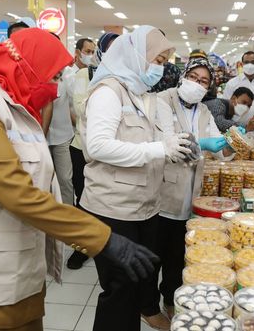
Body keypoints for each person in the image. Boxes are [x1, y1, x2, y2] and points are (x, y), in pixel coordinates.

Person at [0, 27, 158, 331]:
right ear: (26, 67)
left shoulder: (20, 110)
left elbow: (40, 188)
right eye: (52, 75)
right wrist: (102, 238)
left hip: (17, 273)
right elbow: (18, 193)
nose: (56, 85)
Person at [79, 25, 188, 331]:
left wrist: (176, 147)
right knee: (120, 290)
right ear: (136, 55)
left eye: (165, 61)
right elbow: (98, 146)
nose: (162, 67)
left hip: (145, 204)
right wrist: (157, 149)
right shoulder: (108, 92)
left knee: (139, 278)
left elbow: (158, 140)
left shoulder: (142, 92)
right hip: (114, 208)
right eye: (157, 59)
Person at [155, 58, 231, 319]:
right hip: (162, 191)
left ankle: (171, 300)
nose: (198, 84)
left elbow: (221, 152)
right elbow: (167, 141)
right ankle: (147, 305)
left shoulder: (204, 111)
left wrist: (232, 141)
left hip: (190, 194)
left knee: (177, 253)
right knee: (155, 252)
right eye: (194, 78)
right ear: (184, 76)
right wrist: (203, 143)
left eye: (204, 81)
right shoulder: (164, 100)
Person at [67, 33, 117, 270]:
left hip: (116, 152)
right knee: (85, 200)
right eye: (109, 48)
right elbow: (80, 109)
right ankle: (83, 247)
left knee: (111, 200)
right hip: (84, 148)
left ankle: (108, 244)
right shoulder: (84, 74)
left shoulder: (130, 79)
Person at [46, 38, 96, 208]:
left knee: (66, 180)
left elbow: (75, 106)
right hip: (40, 136)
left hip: (63, 136)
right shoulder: (34, 71)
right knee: (43, 179)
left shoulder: (67, 74)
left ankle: (67, 215)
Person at [222, 51, 254, 131]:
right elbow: (225, 109)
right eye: (246, 62)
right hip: (238, 131)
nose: (250, 65)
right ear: (242, 64)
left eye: (253, 62)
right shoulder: (232, 84)